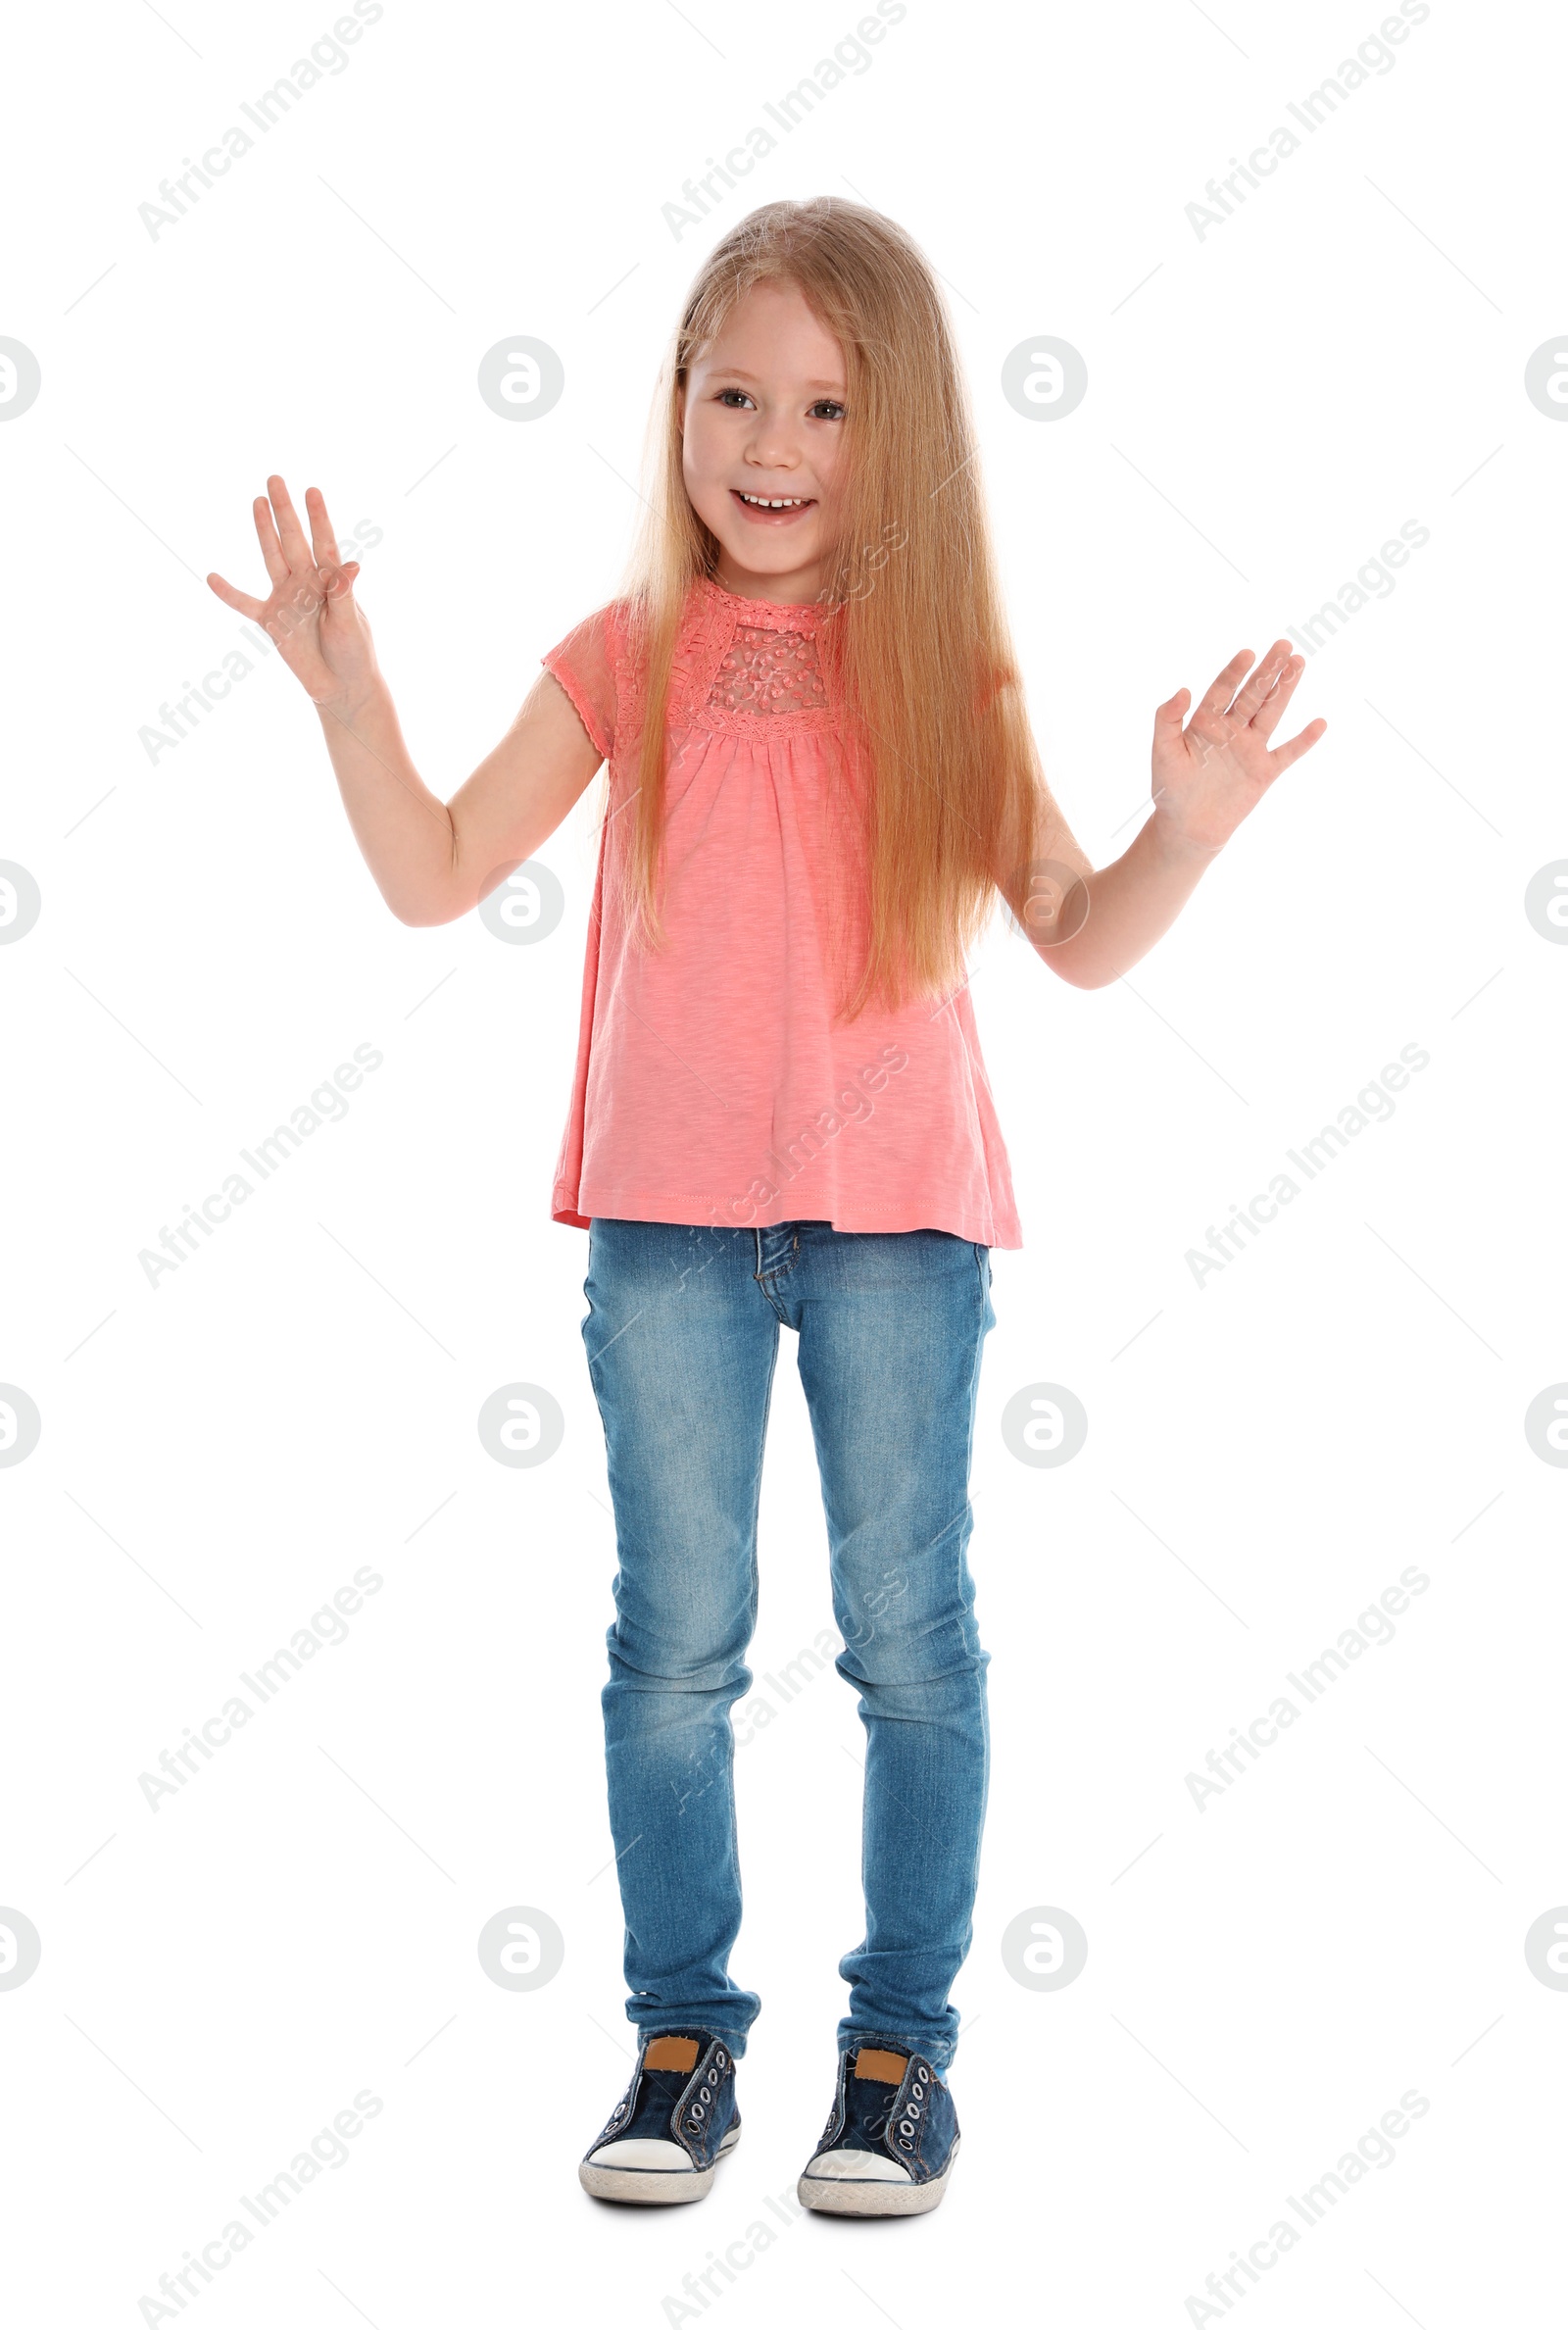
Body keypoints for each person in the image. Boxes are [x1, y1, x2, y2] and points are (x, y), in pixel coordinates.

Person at [207, 195, 1324, 2221]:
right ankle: (677, 2038)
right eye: (736, 393)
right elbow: (437, 864)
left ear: (890, 444)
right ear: (678, 407)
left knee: (907, 1634)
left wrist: (1182, 832)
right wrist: (346, 696)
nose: (772, 445)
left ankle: (895, 2054)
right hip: (664, 1226)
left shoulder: (937, 673)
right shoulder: (630, 652)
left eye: (822, 405)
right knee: (675, 1646)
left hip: (899, 1218)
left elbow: (1070, 936)